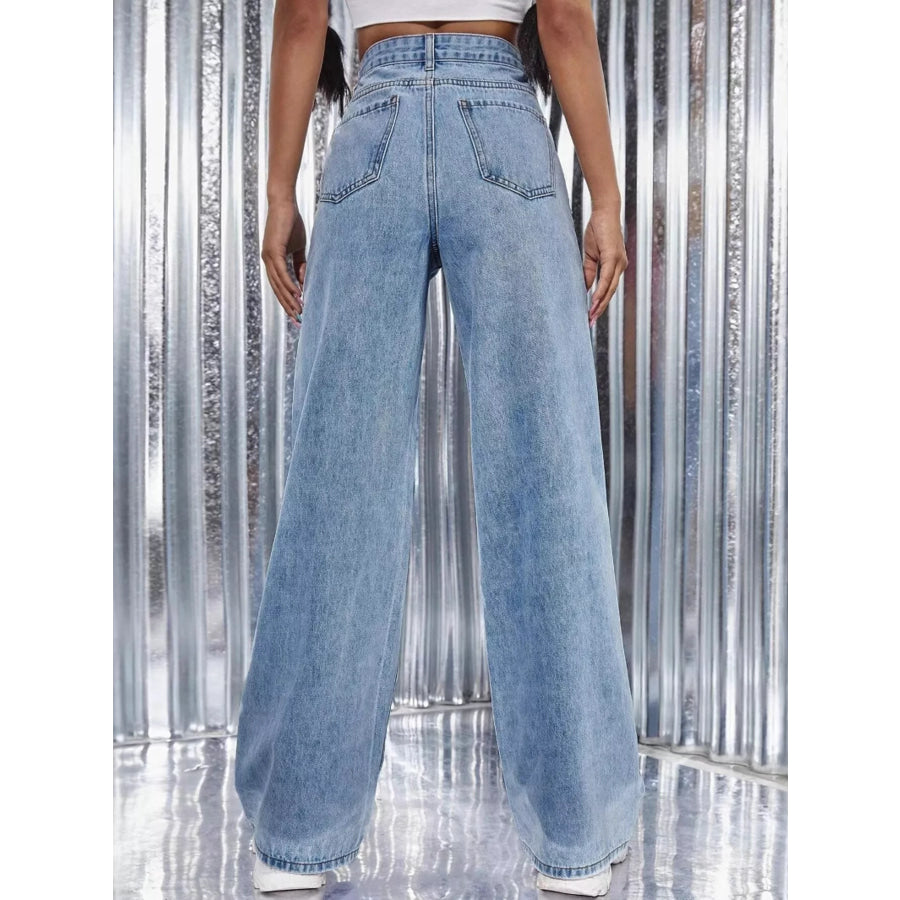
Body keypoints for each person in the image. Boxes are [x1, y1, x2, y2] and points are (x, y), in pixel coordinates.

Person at [234, 1, 645, 896]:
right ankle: (578, 834)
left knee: (338, 485)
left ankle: (293, 837)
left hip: (372, 129)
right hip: (501, 127)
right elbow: (564, 21)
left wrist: (279, 193)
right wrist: (606, 200)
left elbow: (303, 18)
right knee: (548, 482)